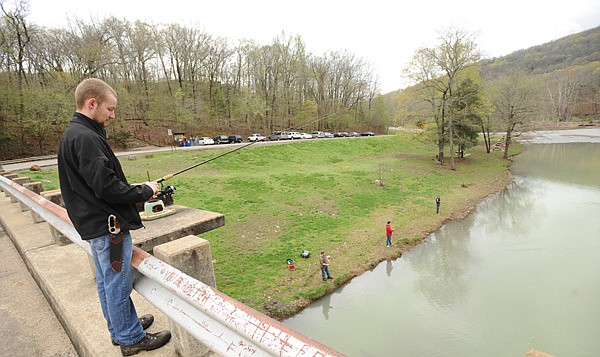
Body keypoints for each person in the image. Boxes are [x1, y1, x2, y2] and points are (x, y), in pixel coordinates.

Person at [57, 78, 171, 356]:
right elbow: (106, 187)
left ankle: (120, 328)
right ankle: (131, 338)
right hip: (109, 229)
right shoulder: (86, 138)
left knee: (107, 282)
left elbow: (97, 182)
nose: (113, 115)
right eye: (110, 109)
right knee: (117, 284)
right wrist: (145, 190)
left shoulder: (76, 133)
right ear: (91, 103)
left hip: (94, 225)